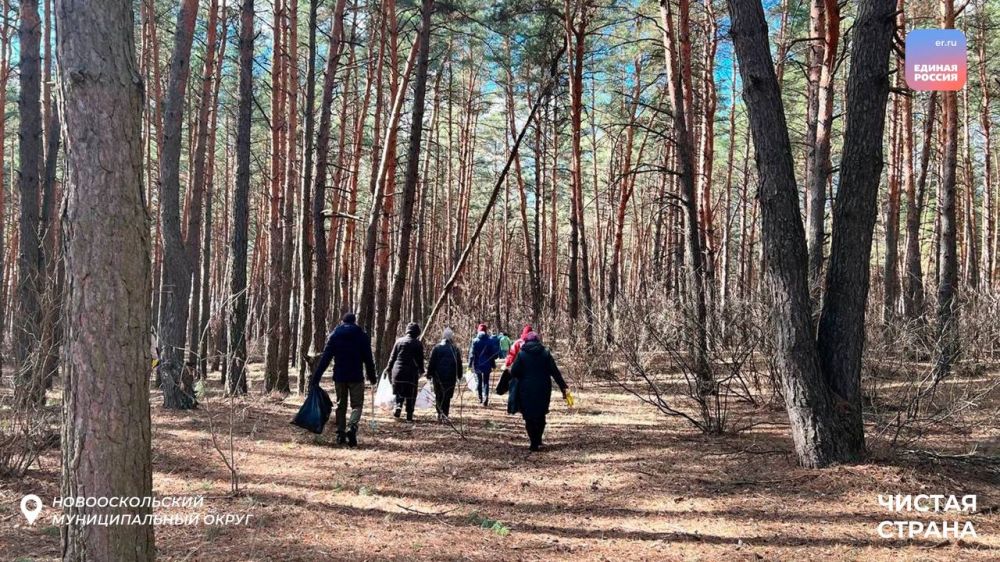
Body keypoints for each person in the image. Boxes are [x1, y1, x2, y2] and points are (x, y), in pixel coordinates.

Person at [309, 313, 377, 447]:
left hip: (340, 376)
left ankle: (340, 433)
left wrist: (316, 377)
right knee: (357, 405)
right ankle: (352, 427)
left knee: (341, 404)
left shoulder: (335, 336)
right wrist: (372, 377)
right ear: (354, 321)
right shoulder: (362, 336)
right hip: (356, 377)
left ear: (342, 321)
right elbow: (368, 359)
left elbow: (325, 359)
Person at [509, 331, 569, 451]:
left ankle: (533, 443)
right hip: (543, 388)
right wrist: (563, 387)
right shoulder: (545, 353)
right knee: (541, 414)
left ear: (526, 341)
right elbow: (555, 372)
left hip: (525, 389)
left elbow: (514, 371)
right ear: (538, 341)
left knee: (528, 416)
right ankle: (538, 438)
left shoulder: (521, 354)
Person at [386, 322, 425, 422]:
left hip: (397, 372)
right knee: (411, 394)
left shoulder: (399, 341)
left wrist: (388, 368)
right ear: (417, 333)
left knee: (399, 391)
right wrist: (422, 370)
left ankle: (398, 405)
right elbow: (420, 360)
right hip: (411, 373)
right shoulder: (417, 344)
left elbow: (392, 357)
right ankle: (409, 415)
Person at [426, 327, 462, 421]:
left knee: (438, 394)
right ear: (451, 337)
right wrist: (459, 375)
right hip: (450, 377)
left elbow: (432, 362)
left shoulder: (437, 348)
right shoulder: (455, 349)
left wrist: (429, 374)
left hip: (438, 377)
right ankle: (445, 414)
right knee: (447, 396)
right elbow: (459, 363)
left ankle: (439, 413)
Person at [469, 323, 499, 406]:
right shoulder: (490, 341)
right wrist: (493, 365)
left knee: (479, 381)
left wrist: (469, 365)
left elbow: (472, 354)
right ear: (486, 331)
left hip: (477, 364)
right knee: (486, 381)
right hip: (487, 364)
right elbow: (492, 355)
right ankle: (486, 397)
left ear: (478, 331)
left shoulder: (474, 341)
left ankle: (480, 398)